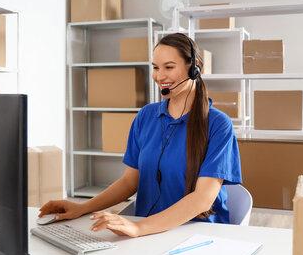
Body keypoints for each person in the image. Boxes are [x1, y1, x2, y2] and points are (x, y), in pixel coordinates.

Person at [39, 33, 242, 237]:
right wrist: (82, 207)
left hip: (197, 235)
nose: (159, 76)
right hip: (148, 232)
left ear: (195, 66)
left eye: (169, 67)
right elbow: (129, 182)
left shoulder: (218, 124)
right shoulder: (146, 116)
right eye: (155, 67)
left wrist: (138, 227)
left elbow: (202, 199)